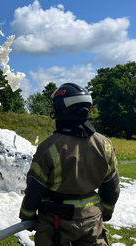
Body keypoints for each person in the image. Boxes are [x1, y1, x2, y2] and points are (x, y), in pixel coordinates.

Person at [19, 83, 120, 246]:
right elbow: (112, 187)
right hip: (92, 219)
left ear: (60, 110)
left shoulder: (49, 147)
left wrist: (27, 215)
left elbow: (35, 189)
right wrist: (106, 212)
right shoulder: (105, 144)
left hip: (55, 222)